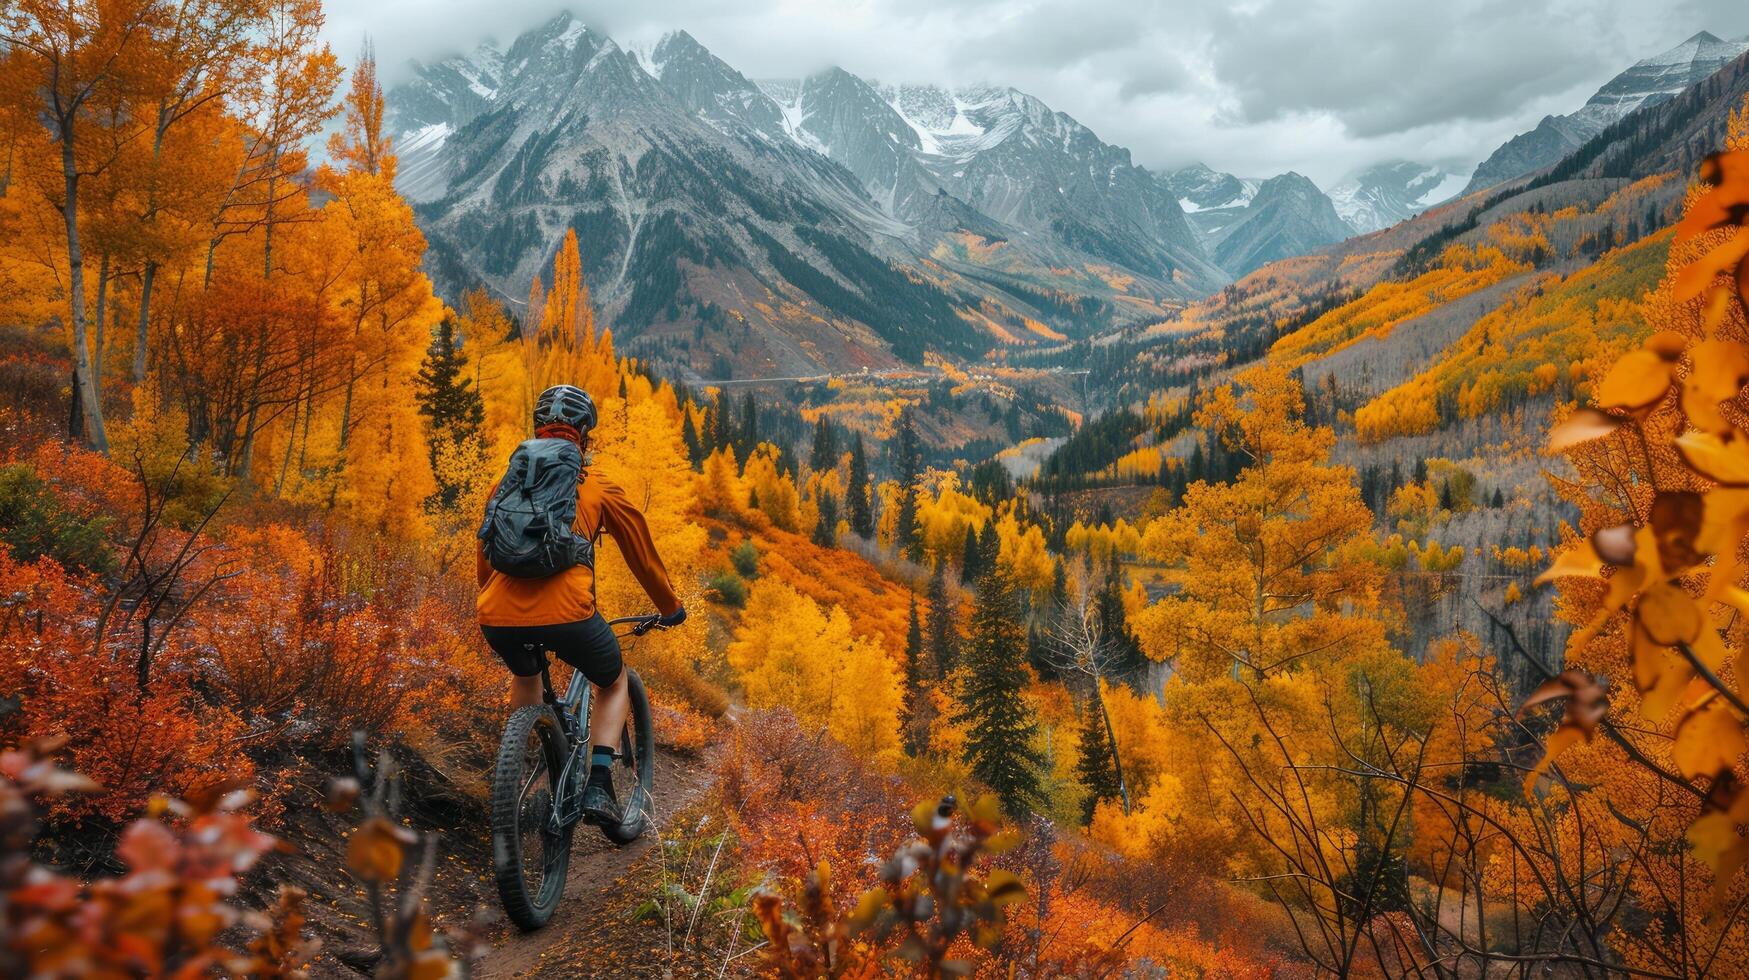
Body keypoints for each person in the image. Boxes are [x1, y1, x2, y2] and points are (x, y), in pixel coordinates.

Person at [477, 383, 686, 826]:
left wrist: (491, 604)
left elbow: (487, 555)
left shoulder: (507, 482)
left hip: (496, 614)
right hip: (570, 615)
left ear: (537, 429)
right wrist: (670, 607)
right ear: (583, 436)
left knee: (526, 672)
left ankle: (522, 776)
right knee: (613, 682)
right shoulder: (598, 485)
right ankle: (599, 784)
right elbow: (642, 558)